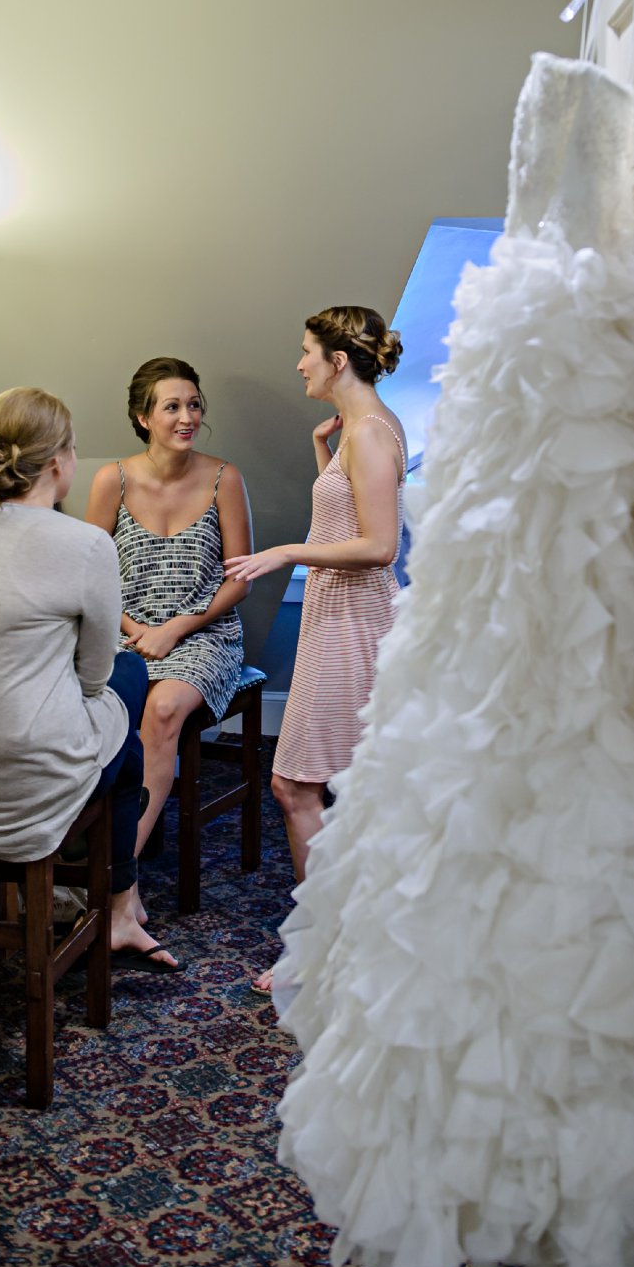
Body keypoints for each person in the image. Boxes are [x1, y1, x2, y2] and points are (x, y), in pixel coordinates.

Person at [0, 386, 178, 970]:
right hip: (29, 777)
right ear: (58, 462)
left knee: (124, 750)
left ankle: (113, 902)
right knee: (129, 680)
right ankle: (119, 906)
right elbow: (93, 677)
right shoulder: (84, 545)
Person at [226, 306, 405, 994]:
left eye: (306, 352)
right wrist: (320, 458)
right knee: (336, 783)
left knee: (297, 783)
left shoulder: (368, 433)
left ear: (337, 360)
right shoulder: (362, 430)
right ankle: (343, 940)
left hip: (351, 622)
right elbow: (354, 514)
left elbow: (380, 545)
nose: (298, 363)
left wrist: (285, 551)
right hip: (341, 614)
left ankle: (323, 950)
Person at [82, 357, 254, 871]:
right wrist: (135, 631)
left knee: (159, 710)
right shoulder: (111, 479)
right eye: (172, 407)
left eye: (194, 405)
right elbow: (91, 573)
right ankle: (75, 846)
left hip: (205, 635)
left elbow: (239, 578)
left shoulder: (225, 477)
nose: (187, 417)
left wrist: (179, 626)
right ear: (143, 418)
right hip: (125, 631)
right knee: (85, 705)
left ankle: (117, 873)